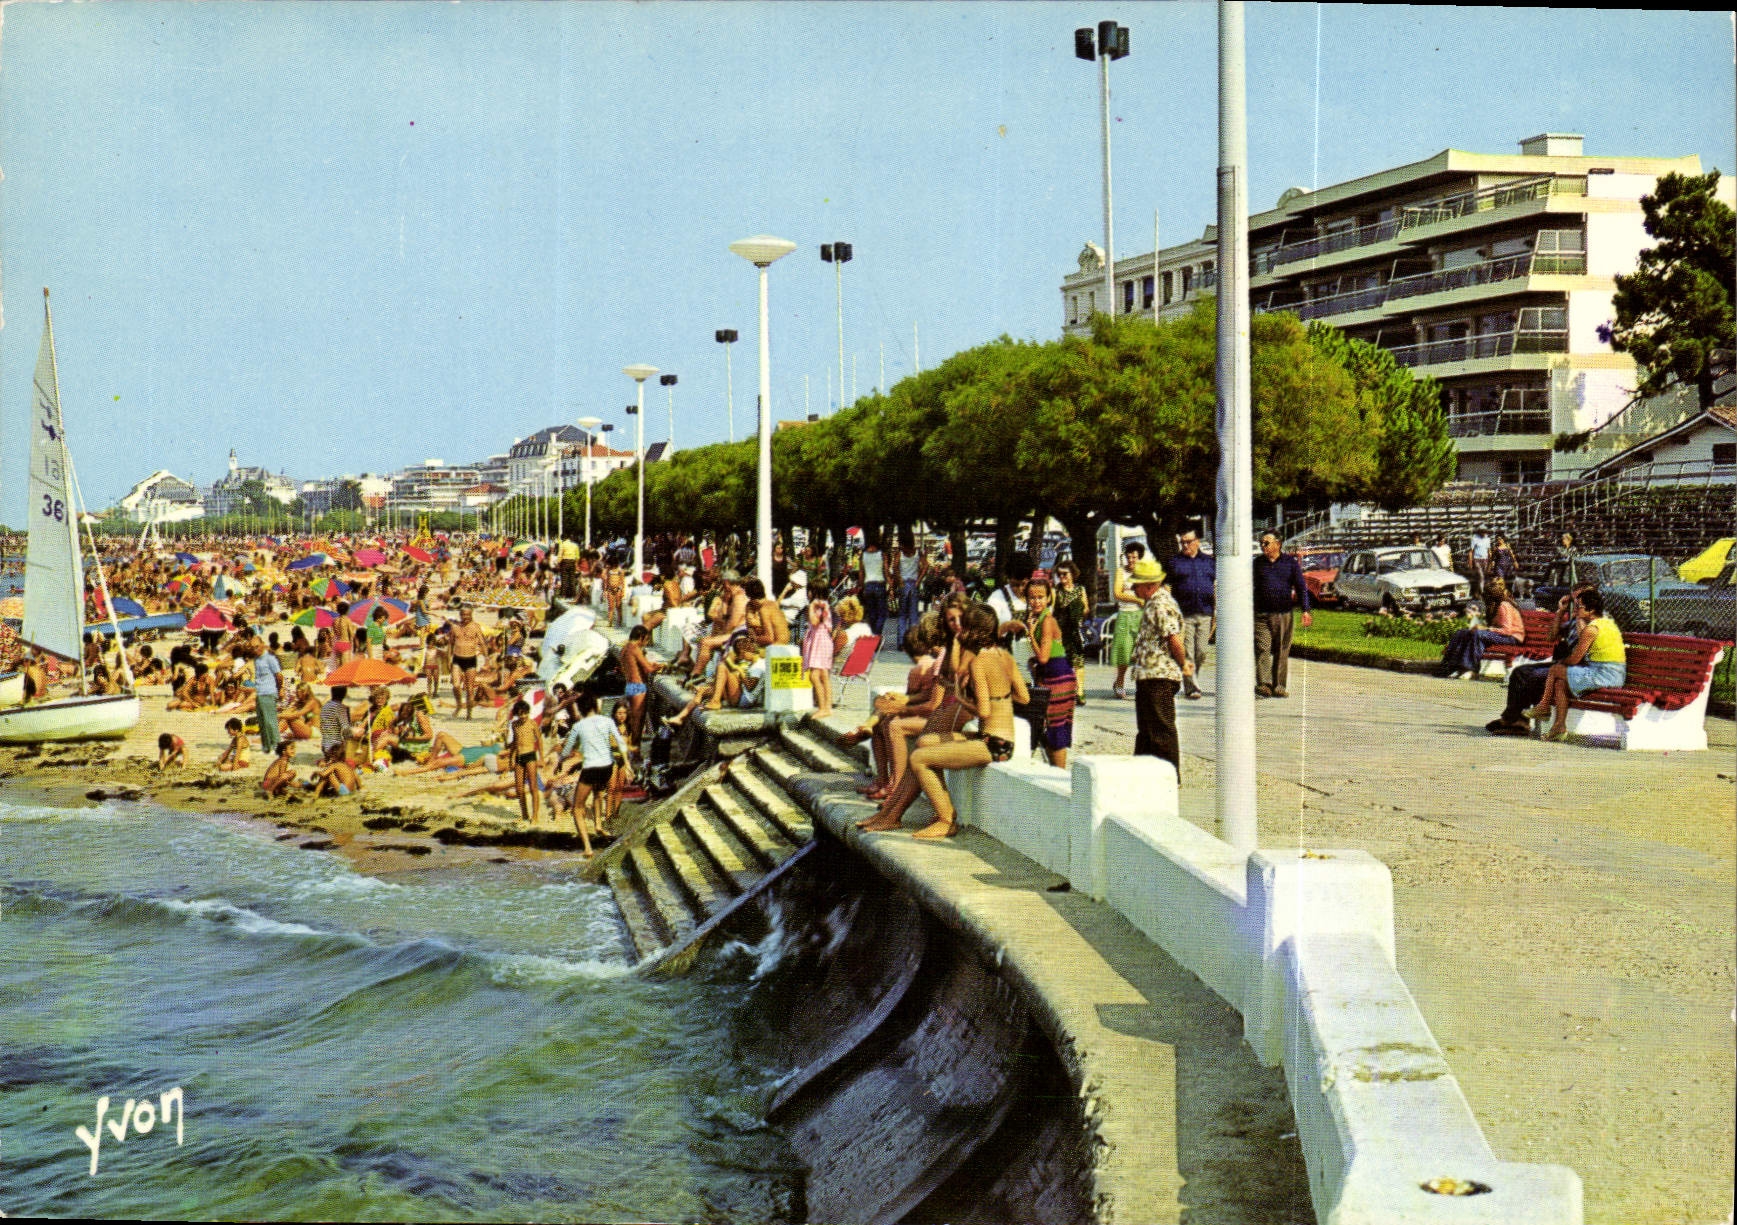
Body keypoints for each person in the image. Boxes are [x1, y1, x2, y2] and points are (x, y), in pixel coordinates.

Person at [860, 603, 1027, 840]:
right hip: (998, 739)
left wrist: (962, 698)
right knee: (925, 741)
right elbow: (1024, 696)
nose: (962, 632)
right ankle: (890, 814)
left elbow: (984, 711)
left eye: (966, 627)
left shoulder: (979, 662)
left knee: (919, 759)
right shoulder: (1006, 657)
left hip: (994, 744)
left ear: (975, 631)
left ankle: (946, 819)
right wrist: (1000, 696)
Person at [1526, 589, 1626, 741]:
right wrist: (1576, 618)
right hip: (1613, 673)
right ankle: (1559, 727)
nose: (1575, 608)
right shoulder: (1606, 623)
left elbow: (1574, 660)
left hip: (1604, 674)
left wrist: (1561, 664)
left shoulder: (1592, 629)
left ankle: (1544, 707)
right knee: (1560, 683)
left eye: (1579, 606)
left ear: (1591, 610)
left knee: (1555, 669)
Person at [1485, 587, 1587, 736]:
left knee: (1533, 676)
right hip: (1562, 662)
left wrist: (1579, 618)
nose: (1574, 603)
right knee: (1520, 672)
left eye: (1578, 600)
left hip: (1575, 667)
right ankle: (1517, 720)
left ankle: (1514, 721)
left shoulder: (1593, 622)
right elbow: (1551, 637)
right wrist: (1559, 612)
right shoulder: (1574, 619)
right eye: (1574, 599)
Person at [1127, 558, 1190, 773]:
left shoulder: (1161, 604)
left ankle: (1169, 776)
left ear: (1150, 585)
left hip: (1159, 675)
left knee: (1161, 729)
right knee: (1146, 730)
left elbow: (1173, 638)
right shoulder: (1153, 603)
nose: (1133, 588)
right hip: (1148, 674)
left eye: (1136, 585)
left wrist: (1184, 664)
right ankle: (1143, 772)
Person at [560, 690, 632, 856]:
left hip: (591, 768)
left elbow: (567, 748)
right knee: (598, 794)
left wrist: (559, 762)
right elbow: (621, 743)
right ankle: (598, 825)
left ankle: (587, 848)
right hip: (607, 766)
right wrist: (628, 764)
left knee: (577, 809)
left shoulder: (579, 725)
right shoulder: (607, 721)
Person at [1022, 574, 1077, 770]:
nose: (1036, 601)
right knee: (1048, 727)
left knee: (1055, 728)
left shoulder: (1046, 620)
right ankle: (1056, 773)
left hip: (1058, 677)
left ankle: (1060, 775)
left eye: (1040, 597)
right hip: (1052, 676)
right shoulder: (1038, 618)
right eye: (1032, 597)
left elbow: (1044, 657)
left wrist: (1030, 635)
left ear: (1048, 598)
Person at [1252, 532, 1311, 698]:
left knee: (1281, 649)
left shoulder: (1289, 563)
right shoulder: (1257, 564)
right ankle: (1264, 684)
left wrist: (1305, 610)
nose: (1263, 546)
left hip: (1283, 613)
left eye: (1266, 543)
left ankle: (1278, 685)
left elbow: (1301, 587)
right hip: (1261, 614)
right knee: (1262, 647)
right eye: (1262, 543)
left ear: (1278, 544)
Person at [1437, 578, 1524, 679]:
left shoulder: (1504, 606)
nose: (1483, 598)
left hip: (1512, 638)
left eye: (1485, 595)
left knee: (1478, 634)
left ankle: (1468, 668)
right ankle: (1448, 666)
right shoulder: (1493, 607)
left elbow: (1507, 630)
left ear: (1491, 596)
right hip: (1500, 635)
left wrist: (1485, 629)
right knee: (1462, 633)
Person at [1168, 529, 1215, 700]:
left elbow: (1215, 585)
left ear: (1197, 542)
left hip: (1205, 612)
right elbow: (1168, 588)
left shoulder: (1209, 561)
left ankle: (1191, 676)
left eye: (1188, 541)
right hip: (1183, 614)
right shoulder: (1175, 562)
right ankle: (1191, 687)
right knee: (1187, 651)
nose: (1185, 545)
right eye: (1183, 542)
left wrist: (1216, 611)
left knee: (1201, 652)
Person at [1109, 540, 1148, 699]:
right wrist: (1137, 600)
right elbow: (1117, 594)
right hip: (1125, 614)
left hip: (1142, 616)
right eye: (1129, 557)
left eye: (1135, 557)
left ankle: (1143, 685)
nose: (1131, 560)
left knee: (1144, 653)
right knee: (1124, 653)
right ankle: (1119, 682)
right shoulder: (1121, 572)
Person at [1051, 561, 1090, 706]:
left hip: (1075, 629)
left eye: (1065, 574)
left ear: (1072, 574)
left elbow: (1086, 608)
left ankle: (1080, 692)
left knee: (1078, 661)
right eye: (1059, 574)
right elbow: (1052, 612)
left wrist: (1078, 610)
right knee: (1063, 661)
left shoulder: (1080, 589)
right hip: (1061, 630)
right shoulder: (1056, 591)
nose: (1062, 577)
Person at [619, 625, 659, 749]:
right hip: (638, 688)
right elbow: (648, 669)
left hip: (629, 686)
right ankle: (635, 752)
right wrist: (660, 666)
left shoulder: (624, 649)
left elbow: (628, 668)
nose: (646, 643)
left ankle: (631, 749)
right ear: (641, 637)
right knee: (638, 722)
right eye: (646, 640)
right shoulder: (635, 649)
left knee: (631, 720)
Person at [507, 698, 543, 826]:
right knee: (519, 788)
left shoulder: (532, 723)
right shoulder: (514, 725)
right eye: (520, 714)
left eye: (525, 713)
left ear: (528, 712)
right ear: (517, 714)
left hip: (530, 755)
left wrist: (541, 758)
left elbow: (539, 741)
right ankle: (525, 814)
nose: (523, 716)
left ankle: (535, 815)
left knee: (533, 786)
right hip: (518, 757)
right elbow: (515, 742)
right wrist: (511, 757)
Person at [448, 605, 486, 720]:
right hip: (457, 659)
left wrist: (486, 658)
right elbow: (450, 644)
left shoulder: (476, 627)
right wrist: (448, 659)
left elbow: (483, 643)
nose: (465, 617)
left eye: (468, 615)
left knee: (470, 689)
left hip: (470, 659)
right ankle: (459, 704)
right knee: (455, 685)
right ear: (460, 615)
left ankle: (469, 713)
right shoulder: (455, 627)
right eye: (463, 614)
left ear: (471, 614)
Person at [248, 636, 282, 757]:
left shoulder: (270, 659)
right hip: (260, 692)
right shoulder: (257, 659)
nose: (255, 649)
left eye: (257, 646)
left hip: (268, 692)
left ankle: (276, 745)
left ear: (262, 644)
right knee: (262, 721)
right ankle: (267, 746)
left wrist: (279, 690)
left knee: (270, 720)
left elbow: (279, 676)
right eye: (253, 648)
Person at [802, 597, 836, 718]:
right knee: (823, 676)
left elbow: (814, 621)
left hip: (820, 642)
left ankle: (823, 707)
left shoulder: (821, 607)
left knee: (814, 675)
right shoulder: (823, 605)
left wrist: (811, 607)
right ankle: (827, 707)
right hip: (821, 641)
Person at [859, 535, 888, 638]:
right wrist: (890, 583)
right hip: (880, 584)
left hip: (868, 585)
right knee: (882, 613)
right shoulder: (882, 554)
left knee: (871, 613)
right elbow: (886, 570)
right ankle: (876, 635)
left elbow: (861, 572)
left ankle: (872, 635)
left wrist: (861, 586)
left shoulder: (863, 555)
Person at [319, 684, 353, 759]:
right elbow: (346, 730)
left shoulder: (325, 706)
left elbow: (322, 726)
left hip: (325, 746)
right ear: (343, 695)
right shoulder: (340, 707)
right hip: (335, 748)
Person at [1467, 527, 1493, 598]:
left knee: (1482, 577)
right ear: (1480, 532)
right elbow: (1470, 552)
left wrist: (1491, 561)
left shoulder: (1487, 539)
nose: (1484, 533)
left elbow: (1489, 551)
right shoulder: (1475, 538)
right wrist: (1470, 563)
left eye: (1485, 532)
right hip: (1477, 559)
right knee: (1481, 576)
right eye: (1483, 532)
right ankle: (1482, 593)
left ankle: (1476, 593)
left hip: (1485, 559)